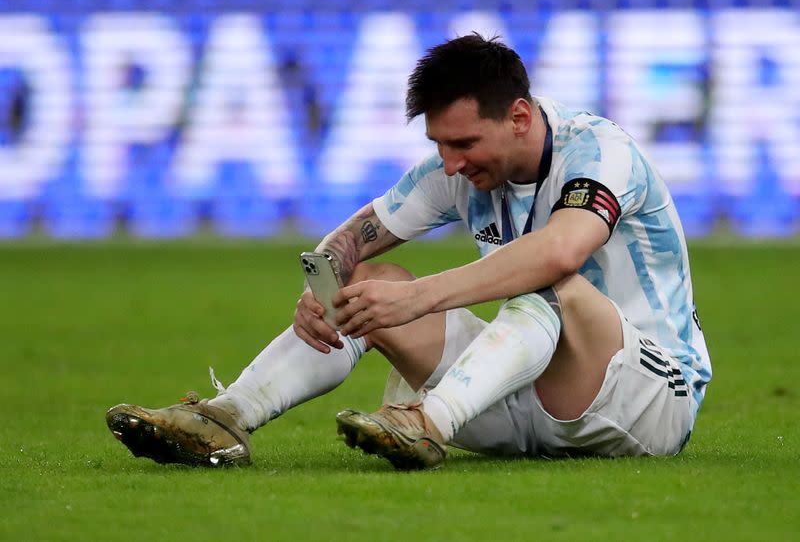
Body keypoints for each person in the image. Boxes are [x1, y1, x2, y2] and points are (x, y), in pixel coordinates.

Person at [106, 34, 712, 470]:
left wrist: (418, 296)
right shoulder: (458, 168)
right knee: (368, 280)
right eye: (439, 144)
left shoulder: (601, 154)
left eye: (464, 142)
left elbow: (558, 253)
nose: (451, 162)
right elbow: (358, 232)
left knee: (546, 281)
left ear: (520, 117)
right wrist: (320, 289)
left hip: (648, 400)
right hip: (527, 401)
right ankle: (226, 417)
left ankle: (427, 423)